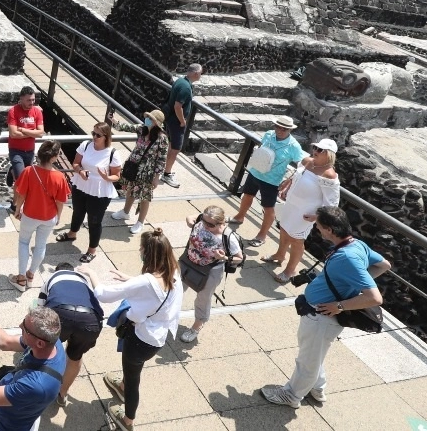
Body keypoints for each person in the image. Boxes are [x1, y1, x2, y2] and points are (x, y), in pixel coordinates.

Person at [261, 206, 390, 408]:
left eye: (319, 226)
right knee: (315, 353)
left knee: (307, 360)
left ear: (330, 229)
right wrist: (350, 284)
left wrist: (339, 304)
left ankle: (292, 396)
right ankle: (317, 388)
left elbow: (374, 297)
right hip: (322, 315)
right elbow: (384, 265)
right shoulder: (358, 245)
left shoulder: (346, 257)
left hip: (321, 316)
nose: (317, 229)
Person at [88, 228, 182, 430]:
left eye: (141, 248)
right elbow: (152, 290)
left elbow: (103, 294)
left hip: (139, 340)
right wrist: (131, 280)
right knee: (132, 370)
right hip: (157, 338)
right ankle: (121, 386)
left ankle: (127, 420)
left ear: (147, 253)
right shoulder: (174, 270)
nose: (139, 251)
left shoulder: (145, 281)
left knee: (133, 380)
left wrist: (91, 273)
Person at [0, 305, 66, 431]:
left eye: (25, 329)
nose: (20, 325)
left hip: (10, 426)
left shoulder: (35, 385)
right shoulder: (52, 342)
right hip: (26, 406)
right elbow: (6, 342)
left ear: (40, 343)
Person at [269, 139, 341, 284]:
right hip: (292, 204)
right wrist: (287, 185)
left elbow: (332, 202)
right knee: (283, 229)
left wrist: (317, 216)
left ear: (329, 154)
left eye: (321, 150)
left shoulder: (329, 175)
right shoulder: (308, 160)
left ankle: (290, 270)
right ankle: (280, 254)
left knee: (297, 240)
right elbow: (297, 174)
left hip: (305, 212)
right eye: (315, 147)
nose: (316, 151)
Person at [229, 116, 306, 248]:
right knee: (247, 195)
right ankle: (240, 216)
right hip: (255, 172)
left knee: (268, 208)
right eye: (278, 127)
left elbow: (302, 164)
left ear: (289, 130)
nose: (280, 130)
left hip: (271, 181)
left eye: (284, 129)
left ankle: (262, 235)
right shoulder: (268, 135)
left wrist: (289, 180)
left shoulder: (294, 146)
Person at [55, 122, 123, 262]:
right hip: (81, 184)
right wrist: (80, 171)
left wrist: (106, 177)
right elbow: (75, 164)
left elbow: (117, 176)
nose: (94, 137)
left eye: (98, 135)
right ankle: (72, 233)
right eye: (93, 133)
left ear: (106, 137)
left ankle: (92, 250)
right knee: (78, 211)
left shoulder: (112, 153)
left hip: (100, 190)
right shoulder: (85, 145)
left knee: (94, 220)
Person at [38, 262, 104, 407]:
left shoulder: (52, 277)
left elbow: (40, 309)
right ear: (72, 271)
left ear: (57, 270)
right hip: (90, 320)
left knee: (45, 349)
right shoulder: (83, 280)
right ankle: (62, 393)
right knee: (75, 357)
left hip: (60, 312)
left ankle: (40, 387)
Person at [177, 205, 243, 343]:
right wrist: (189, 220)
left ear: (221, 223)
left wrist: (224, 258)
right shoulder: (203, 219)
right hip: (188, 262)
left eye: (210, 225)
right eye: (204, 222)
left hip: (210, 271)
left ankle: (196, 327)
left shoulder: (228, 237)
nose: (205, 226)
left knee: (203, 299)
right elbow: (191, 217)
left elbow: (239, 257)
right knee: (174, 288)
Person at [10, 141, 70, 291]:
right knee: (41, 245)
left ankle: (21, 278)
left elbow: (21, 193)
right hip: (49, 217)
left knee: (24, 242)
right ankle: (31, 275)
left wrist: (18, 209)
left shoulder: (29, 171)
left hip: (30, 214)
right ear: (54, 158)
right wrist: (58, 216)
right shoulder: (59, 177)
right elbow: (60, 201)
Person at [110, 110, 169, 235]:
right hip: (133, 166)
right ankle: (125, 212)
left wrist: (157, 177)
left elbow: (162, 159)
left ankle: (140, 222)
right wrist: (114, 121)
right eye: (147, 117)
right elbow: (126, 127)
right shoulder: (142, 129)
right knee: (131, 189)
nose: (147, 119)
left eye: (150, 118)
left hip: (147, 172)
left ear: (156, 123)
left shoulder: (162, 138)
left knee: (144, 197)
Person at [160, 64, 202, 188]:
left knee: (170, 145)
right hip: (176, 122)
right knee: (176, 149)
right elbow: (178, 106)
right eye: (200, 73)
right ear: (195, 73)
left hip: (169, 118)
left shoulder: (180, 81)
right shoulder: (185, 87)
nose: (200, 75)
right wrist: (183, 121)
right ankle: (167, 174)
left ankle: (164, 168)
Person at [6, 86, 45, 212]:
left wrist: (22, 129)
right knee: (22, 178)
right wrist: (31, 132)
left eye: (33, 100)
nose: (32, 103)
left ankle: (14, 203)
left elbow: (41, 133)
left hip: (30, 151)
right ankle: (18, 205)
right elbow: (13, 134)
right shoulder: (13, 111)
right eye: (29, 100)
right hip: (16, 150)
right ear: (21, 99)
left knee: (23, 178)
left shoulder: (37, 112)